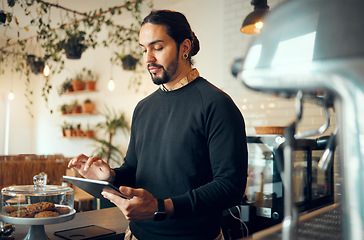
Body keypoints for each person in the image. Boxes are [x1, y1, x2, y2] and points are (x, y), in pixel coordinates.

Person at [68, 9, 248, 240]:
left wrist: (162, 207)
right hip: (137, 235)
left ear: (185, 47)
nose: (147, 59)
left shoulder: (216, 104)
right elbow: (134, 169)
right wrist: (110, 176)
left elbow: (230, 187)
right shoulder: (143, 108)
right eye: (144, 49)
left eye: (157, 47)